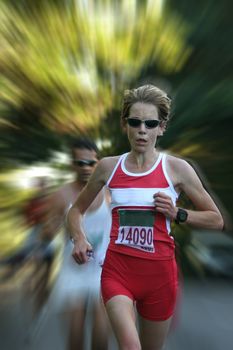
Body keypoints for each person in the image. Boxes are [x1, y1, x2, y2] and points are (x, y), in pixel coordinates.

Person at [67, 85, 224, 350]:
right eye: (135, 121)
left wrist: (177, 213)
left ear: (161, 127)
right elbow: (75, 210)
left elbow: (216, 220)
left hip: (159, 277)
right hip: (118, 273)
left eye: (150, 123)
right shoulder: (108, 167)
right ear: (124, 124)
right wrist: (79, 239)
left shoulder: (176, 169)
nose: (142, 129)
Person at [44, 137, 111, 350]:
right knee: (76, 330)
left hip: (104, 270)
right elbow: (47, 232)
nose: (86, 168)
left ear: (97, 162)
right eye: (80, 163)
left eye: (90, 163)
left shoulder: (110, 192)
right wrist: (50, 229)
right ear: (72, 164)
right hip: (72, 270)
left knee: (102, 329)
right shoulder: (61, 195)